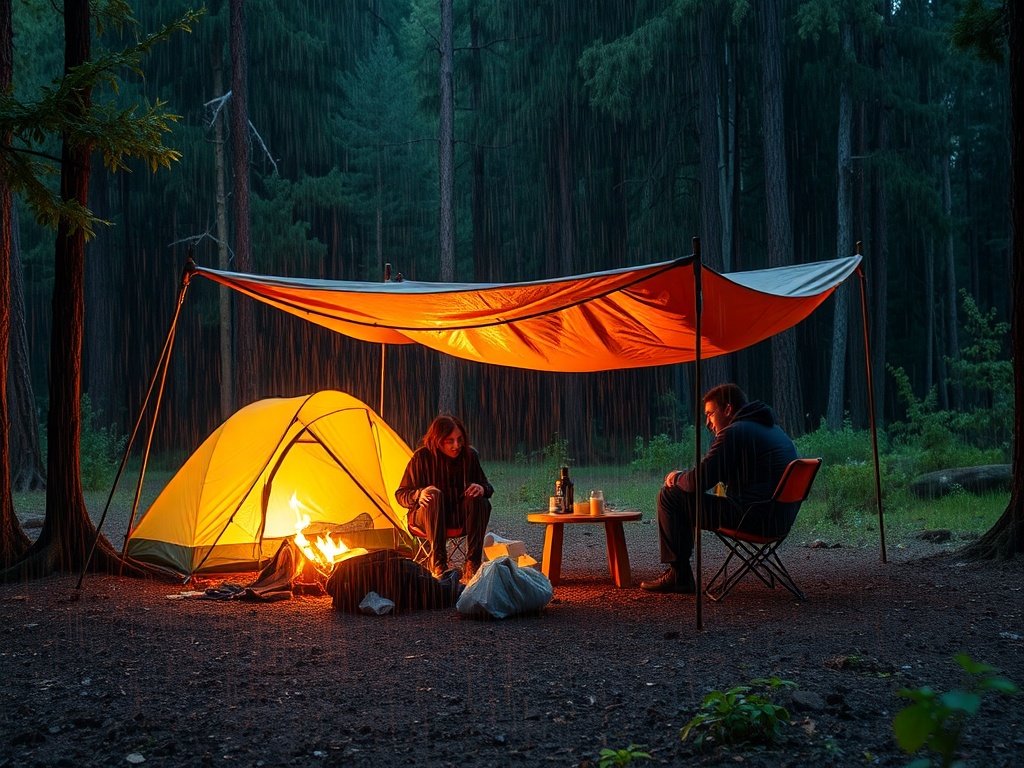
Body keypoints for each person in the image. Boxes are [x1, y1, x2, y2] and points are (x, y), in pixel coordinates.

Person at [641, 383, 798, 594]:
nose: (708, 423)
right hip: (780, 519)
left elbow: (698, 482)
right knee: (684, 492)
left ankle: (680, 576)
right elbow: (710, 474)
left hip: (752, 517)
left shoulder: (735, 432)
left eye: (710, 414)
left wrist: (677, 477)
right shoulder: (772, 430)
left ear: (727, 409)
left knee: (670, 496)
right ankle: (680, 575)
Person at [395, 415, 493, 581]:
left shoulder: (469, 455)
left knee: (480, 499)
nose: (457, 446)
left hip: (459, 518)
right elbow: (401, 494)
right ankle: (439, 564)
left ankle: (472, 564)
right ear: (438, 440)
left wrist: (482, 488)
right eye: (450, 441)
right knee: (433, 494)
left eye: (459, 440)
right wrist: (418, 494)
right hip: (426, 518)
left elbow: (487, 487)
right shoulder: (421, 458)